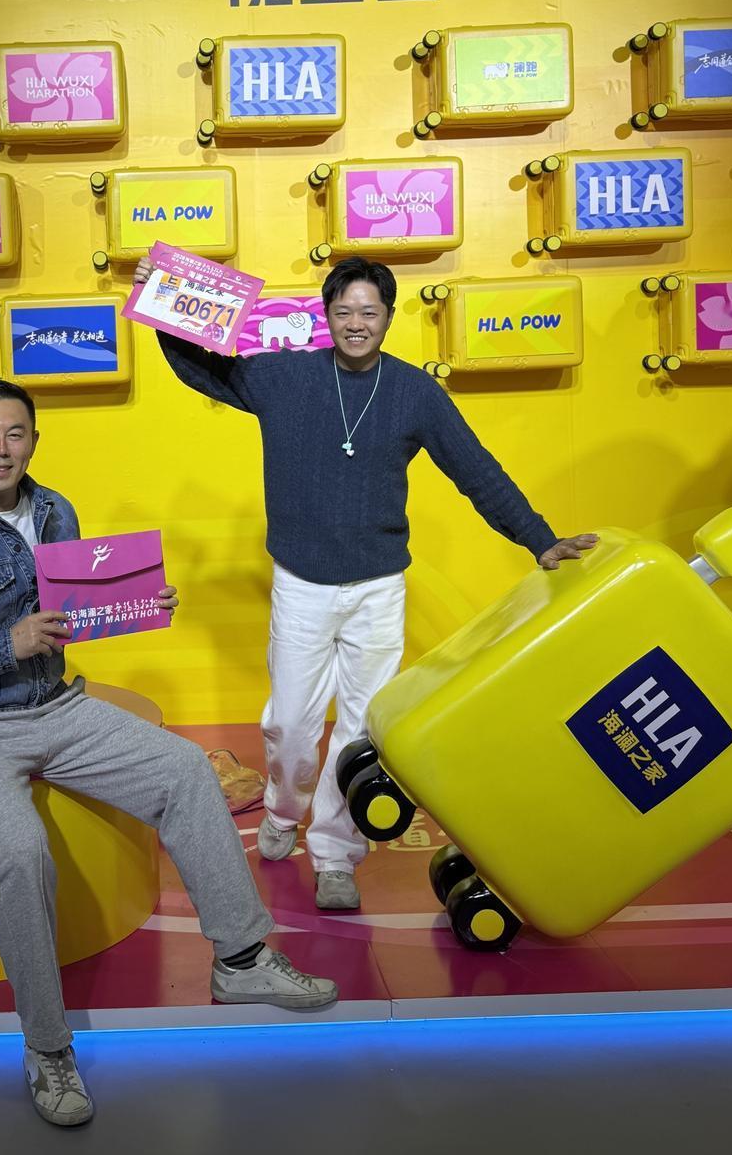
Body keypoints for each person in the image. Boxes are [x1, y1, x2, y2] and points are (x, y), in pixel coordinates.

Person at [0, 377, 338, 1128]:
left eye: (15, 433)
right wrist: (5, 643)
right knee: (21, 851)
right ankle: (47, 1047)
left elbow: (74, 611)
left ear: (34, 440)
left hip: (58, 708)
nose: (1, 448)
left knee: (186, 770)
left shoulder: (55, 510)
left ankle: (242, 960)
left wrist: (135, 604)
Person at [135, 253, 598, 913]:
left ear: (388, 317)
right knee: (291, 725)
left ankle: (335, 854)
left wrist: (539, 538)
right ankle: (283, 808)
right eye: (345, 310)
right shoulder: (283, 376)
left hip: (379, 589)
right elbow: (201, 367)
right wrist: (165, 306)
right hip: (301, 585)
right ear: (327, 316)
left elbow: (477, 471)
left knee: (361, 732)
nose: (357, 323)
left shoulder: (414, 392)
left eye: (370, 312)